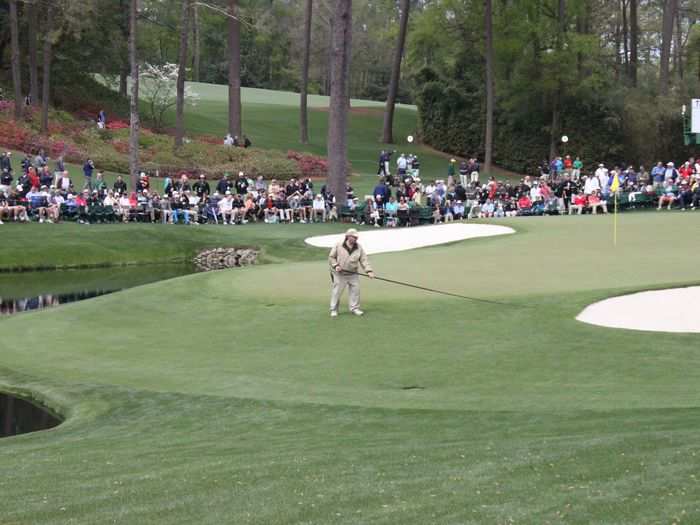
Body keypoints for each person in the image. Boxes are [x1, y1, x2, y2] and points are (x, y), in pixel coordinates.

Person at [328, 228, 375, 317]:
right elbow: (331, 257)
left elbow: (364, 260)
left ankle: (355, 308)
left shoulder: (359, 247)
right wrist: (336, 265)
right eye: (354, 237)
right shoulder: (339, 245)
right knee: (337, 292)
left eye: (356, 237)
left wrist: (369, 271)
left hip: (353, 273)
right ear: (348, 236)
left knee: (355, 291)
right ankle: (334, 309)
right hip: (339, 273)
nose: (355, 239)